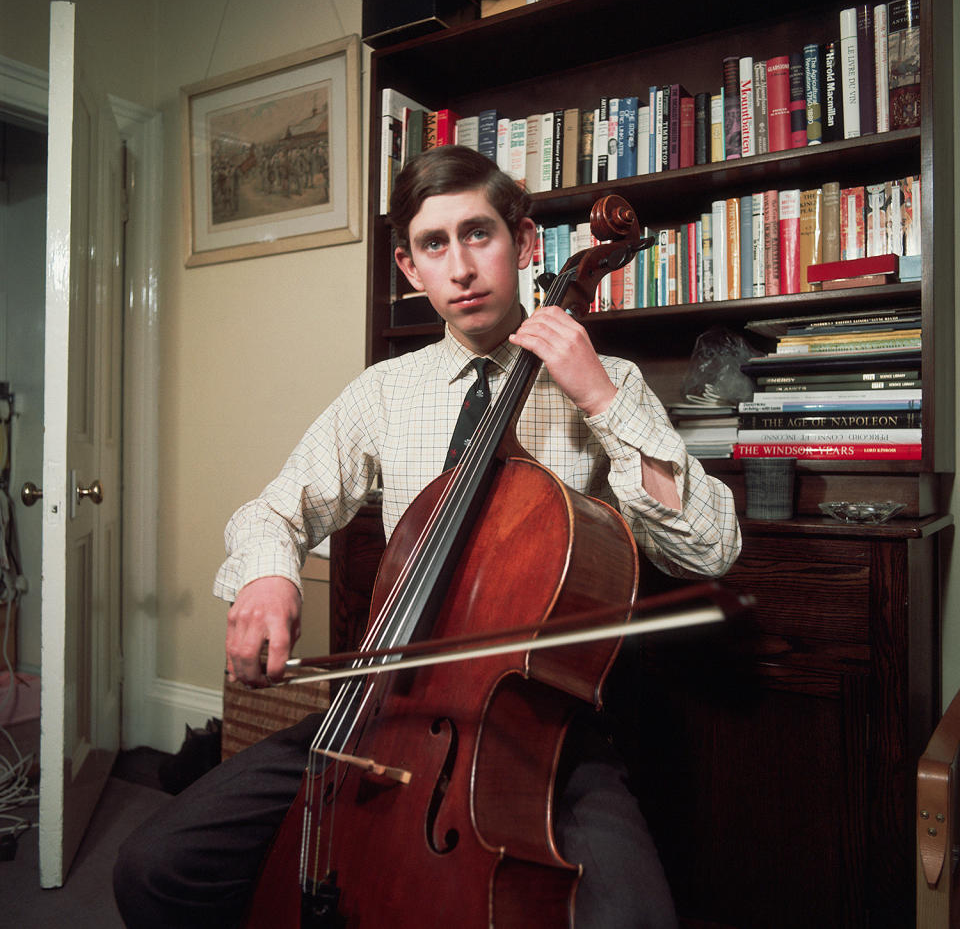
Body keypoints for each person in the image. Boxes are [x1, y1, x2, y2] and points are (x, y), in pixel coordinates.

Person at [113, 145, 741, 929]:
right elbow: (273, 510)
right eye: (435, 245)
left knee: (634, 921)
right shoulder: (383, 392)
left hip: (544, 726)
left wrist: (603, 399)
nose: (462, 267)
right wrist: (268, 575)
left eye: (479, 234)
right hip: (383, 706)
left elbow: (711, 547)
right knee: (156, 868)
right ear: (410, 268)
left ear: (525, 242)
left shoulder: (607, 379)